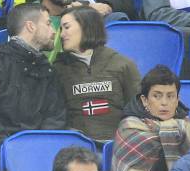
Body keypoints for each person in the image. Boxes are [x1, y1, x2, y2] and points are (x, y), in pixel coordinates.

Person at [0, 3, 63, 146]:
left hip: (41, 148)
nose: (54, 31)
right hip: (0, 148)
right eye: (48, 24)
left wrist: (42, 144)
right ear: (30, 26)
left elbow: (56, 115)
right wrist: (10, 147)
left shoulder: (46, 68)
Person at [108, 66, 190, 171]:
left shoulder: (187, 126)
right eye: (157, 96)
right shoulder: (130, 127)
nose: (164, 103)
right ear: (145, 100)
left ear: (177, 99)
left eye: (170, 96)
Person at [54, 8, 140, 142]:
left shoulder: (123, 64)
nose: (61, 34)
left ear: (86, 26)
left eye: (67, 27)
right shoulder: (58, 69)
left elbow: (137, 111)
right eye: (61, 29)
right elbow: (56, 117)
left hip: (119, 145)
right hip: (76, 146)